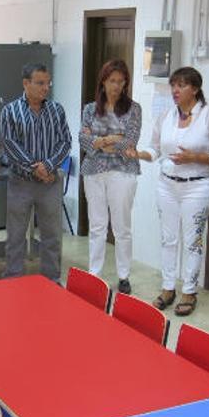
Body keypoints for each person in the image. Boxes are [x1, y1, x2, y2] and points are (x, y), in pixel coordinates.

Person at [127, 67, 209, 316]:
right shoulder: (166, 116)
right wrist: (138, 154)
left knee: (193, 242)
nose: (175, 90)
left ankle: (189, 291)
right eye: (173, 85)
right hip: (167, 185)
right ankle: (168, 287)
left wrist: (195, 157)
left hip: (197, 186)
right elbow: (155, 150)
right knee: (168, 239)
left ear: (195, 89)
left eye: (181, 85)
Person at [0, 63, 71, 283]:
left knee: (52, 236)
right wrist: (34, 167)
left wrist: (47, 166)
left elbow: (65, 142)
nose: (45, 88)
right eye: (40, 83)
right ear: (26, 83)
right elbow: (10, 144)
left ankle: (52, 280)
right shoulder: (10, 111)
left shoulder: (57, 110)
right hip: (20, 182)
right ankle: (14, 280)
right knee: (16, 236)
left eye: (48, 83)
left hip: (50, 183)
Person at [78, 59, 142, 294]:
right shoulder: (89, 109)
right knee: (97, 225)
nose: (116, 86)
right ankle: (95, 273)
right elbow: (83, 139)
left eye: (121, 81)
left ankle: (123, 275)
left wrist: (99, 141)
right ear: (103, 82)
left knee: (121, 226)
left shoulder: (134, 109)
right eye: (112, 81)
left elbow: (130, 142)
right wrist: (110, 139)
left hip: (123, 171)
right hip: (93, 171)